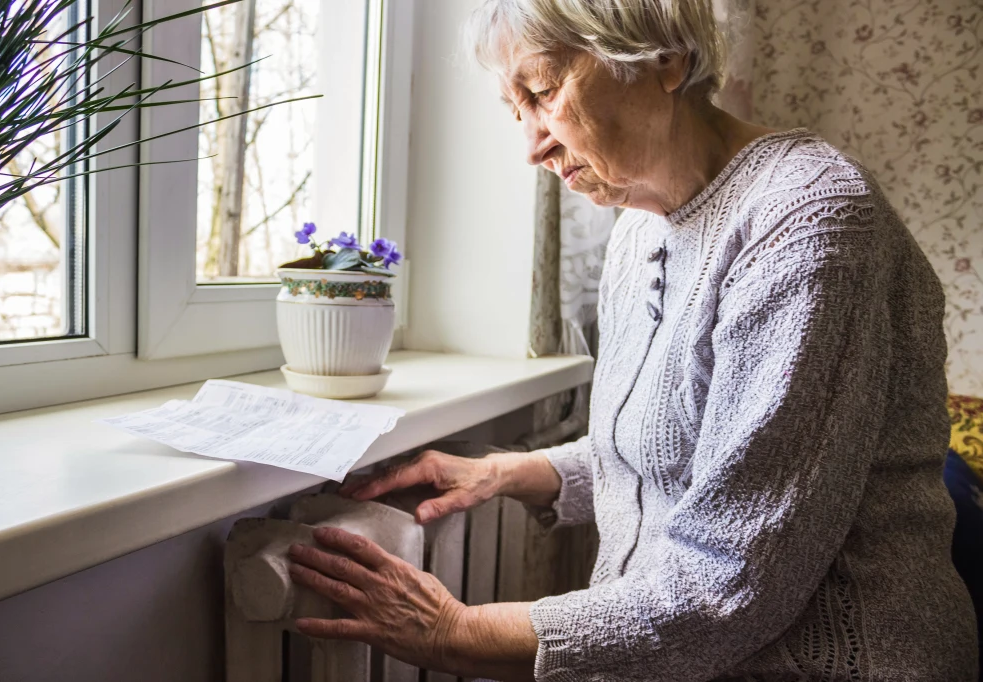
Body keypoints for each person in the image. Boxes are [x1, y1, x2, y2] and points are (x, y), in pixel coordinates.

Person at [285, 0, 979, 679]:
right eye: (515, 109)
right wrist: (509, 473)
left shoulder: (810, 228)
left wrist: (454, 633)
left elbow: (726, 585)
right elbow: (679, 448)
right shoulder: (638, 227)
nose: (532, 146)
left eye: (543, 91)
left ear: (664, 58)